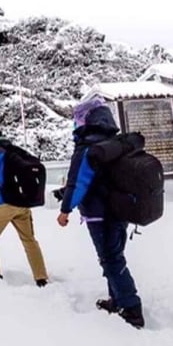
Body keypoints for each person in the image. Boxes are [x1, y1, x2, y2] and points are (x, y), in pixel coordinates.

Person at [58, 100, 146, 329]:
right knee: (114, 255)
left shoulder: (87, 148)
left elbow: (78, 183)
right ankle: (117, 299)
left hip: (98, 214)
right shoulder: (115, 144)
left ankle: (131, 308)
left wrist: (65, 210)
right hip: (120, 210)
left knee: (110, 259)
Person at [0, 125, 49, 286]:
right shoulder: (16, 151)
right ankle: (41, 278)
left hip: (1, 204)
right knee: (29, 240)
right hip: (23, 204)